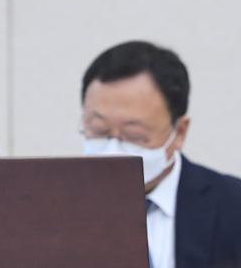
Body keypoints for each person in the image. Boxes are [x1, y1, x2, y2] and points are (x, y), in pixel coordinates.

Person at [80, 41, 241, 268]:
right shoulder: (50, 210)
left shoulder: (233, 206)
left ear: (180, 132)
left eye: (135, 136)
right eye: (99, 131)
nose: (113, 151)